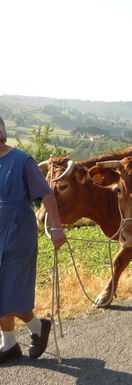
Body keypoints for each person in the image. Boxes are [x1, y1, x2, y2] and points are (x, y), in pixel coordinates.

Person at [0, 116, 67, 362]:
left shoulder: (21, 161)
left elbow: (46, 196)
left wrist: (57, 228)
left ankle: (37, 328)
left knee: (13, 291)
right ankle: (10, 344)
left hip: (19, 234)